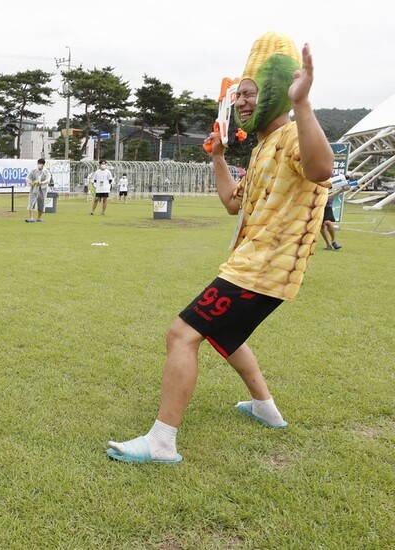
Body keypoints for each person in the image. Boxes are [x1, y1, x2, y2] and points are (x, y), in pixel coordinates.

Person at [106, 35, 334, 464]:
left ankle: (161, 443)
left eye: (250, 93)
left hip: (263, 268)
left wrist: (302, 104)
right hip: (253, 263)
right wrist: (219, 157)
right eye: (240, 94)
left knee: (182, 334)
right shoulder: (265, 144)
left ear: (276, 91)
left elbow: (322, 169)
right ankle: (266, 408)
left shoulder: (289, 136)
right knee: (225, 336)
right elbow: (233, 204)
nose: (243, 101)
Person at [321, 180, 349, 250]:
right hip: (318, 205)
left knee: (327, 222)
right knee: (321, 225)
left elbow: (327, 198)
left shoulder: (331, 183)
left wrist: (341, 190)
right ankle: (328, 244)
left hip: (327, 206)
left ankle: (334, 241)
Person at [25, 158, 52, 223]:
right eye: (38, 164)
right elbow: (28, 178)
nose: (39, 165)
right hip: (34, 188)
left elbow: (48, 179)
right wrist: (31, 182)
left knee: (41, 203)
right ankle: (31, 218)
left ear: (43, 165)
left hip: (42, 189)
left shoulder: (46, 172)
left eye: (40, 164)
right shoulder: (34, 171)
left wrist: (42, 183)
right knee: (32, 202)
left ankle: (39, 218)